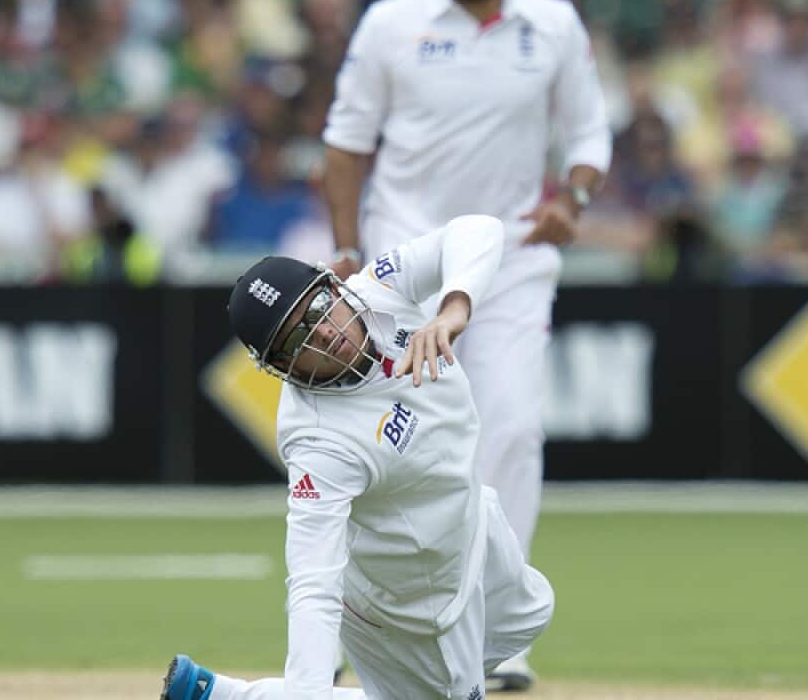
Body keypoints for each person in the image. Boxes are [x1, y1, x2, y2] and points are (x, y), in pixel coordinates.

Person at [321, 0, 611, 688]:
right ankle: (349, 623)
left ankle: (493, 633)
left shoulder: (551, 23)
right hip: (403, 257)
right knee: (381, 438)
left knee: (508, 429)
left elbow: (588, 133)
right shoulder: (391, 22)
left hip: (511, 257)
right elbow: (347, 142)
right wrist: (349, 249)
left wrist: (571, 199)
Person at [160, 214, 554, 700]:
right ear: (281, 368)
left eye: (320, 307)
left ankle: (216, 694)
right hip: (407, 597)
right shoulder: (317, 442)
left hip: (473, 525)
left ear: (334, 285)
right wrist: (309, 691)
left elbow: (478, 229)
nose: (324, 332)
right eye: (297, 338)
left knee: (530, 613)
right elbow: (312, 583)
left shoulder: (380, 289)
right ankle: (227, 696)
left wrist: (454, 308)